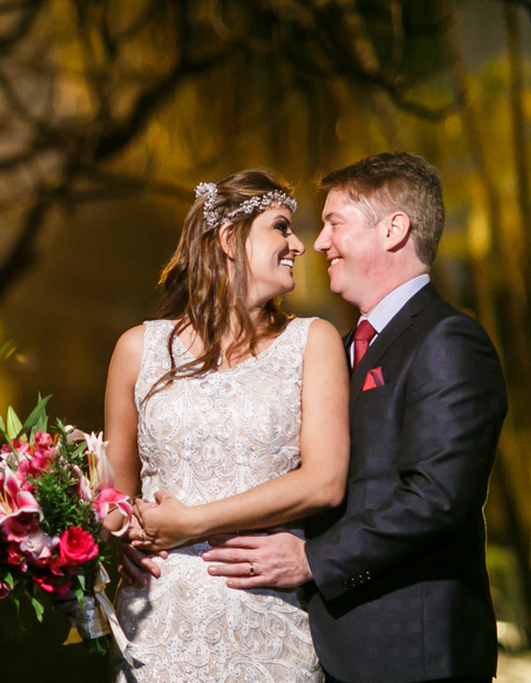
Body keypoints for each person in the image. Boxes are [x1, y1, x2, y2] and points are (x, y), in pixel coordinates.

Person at [201, 152, 509, 683]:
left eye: (334, 223)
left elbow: (436, 496)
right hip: (326, 649)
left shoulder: (447, 340)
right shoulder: (338, 350)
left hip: (413, 656)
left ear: (393, 230)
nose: (318, 243)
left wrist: (312, 561)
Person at [103, 169, 350, 682]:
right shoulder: (137, 349)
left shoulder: (314, 341)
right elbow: (114, 497)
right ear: (229, 239)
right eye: (281, 227)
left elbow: (325, 482)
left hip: (267, 630)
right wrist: (114, 535)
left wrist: (193, 522)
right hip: (155, 631)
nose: (299, 246)